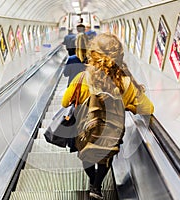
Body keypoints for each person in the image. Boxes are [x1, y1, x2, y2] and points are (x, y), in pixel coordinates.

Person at [61, 33, 154, 199]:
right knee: (106, 157)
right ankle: (97, 186)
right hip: (112, 136)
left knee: (86, 155)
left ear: (93, 54)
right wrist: (129, 106)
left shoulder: (82, 78)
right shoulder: (125, 83)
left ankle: (91, 180)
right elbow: (148, 108)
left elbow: (64, 102)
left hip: (85, 133)